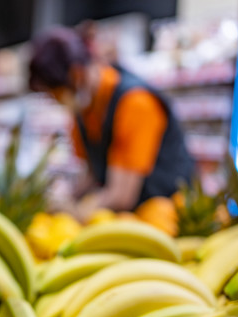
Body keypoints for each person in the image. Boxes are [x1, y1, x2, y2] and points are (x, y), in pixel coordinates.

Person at [29, 26, 194, 216]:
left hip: (165, 220)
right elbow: (92, 173)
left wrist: (76, 211)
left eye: (54, 94)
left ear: (76, 75)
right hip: (129, 221)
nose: (55, 101)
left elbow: (121, 196)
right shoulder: (83, 109)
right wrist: (64, 199)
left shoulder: (135, 102)